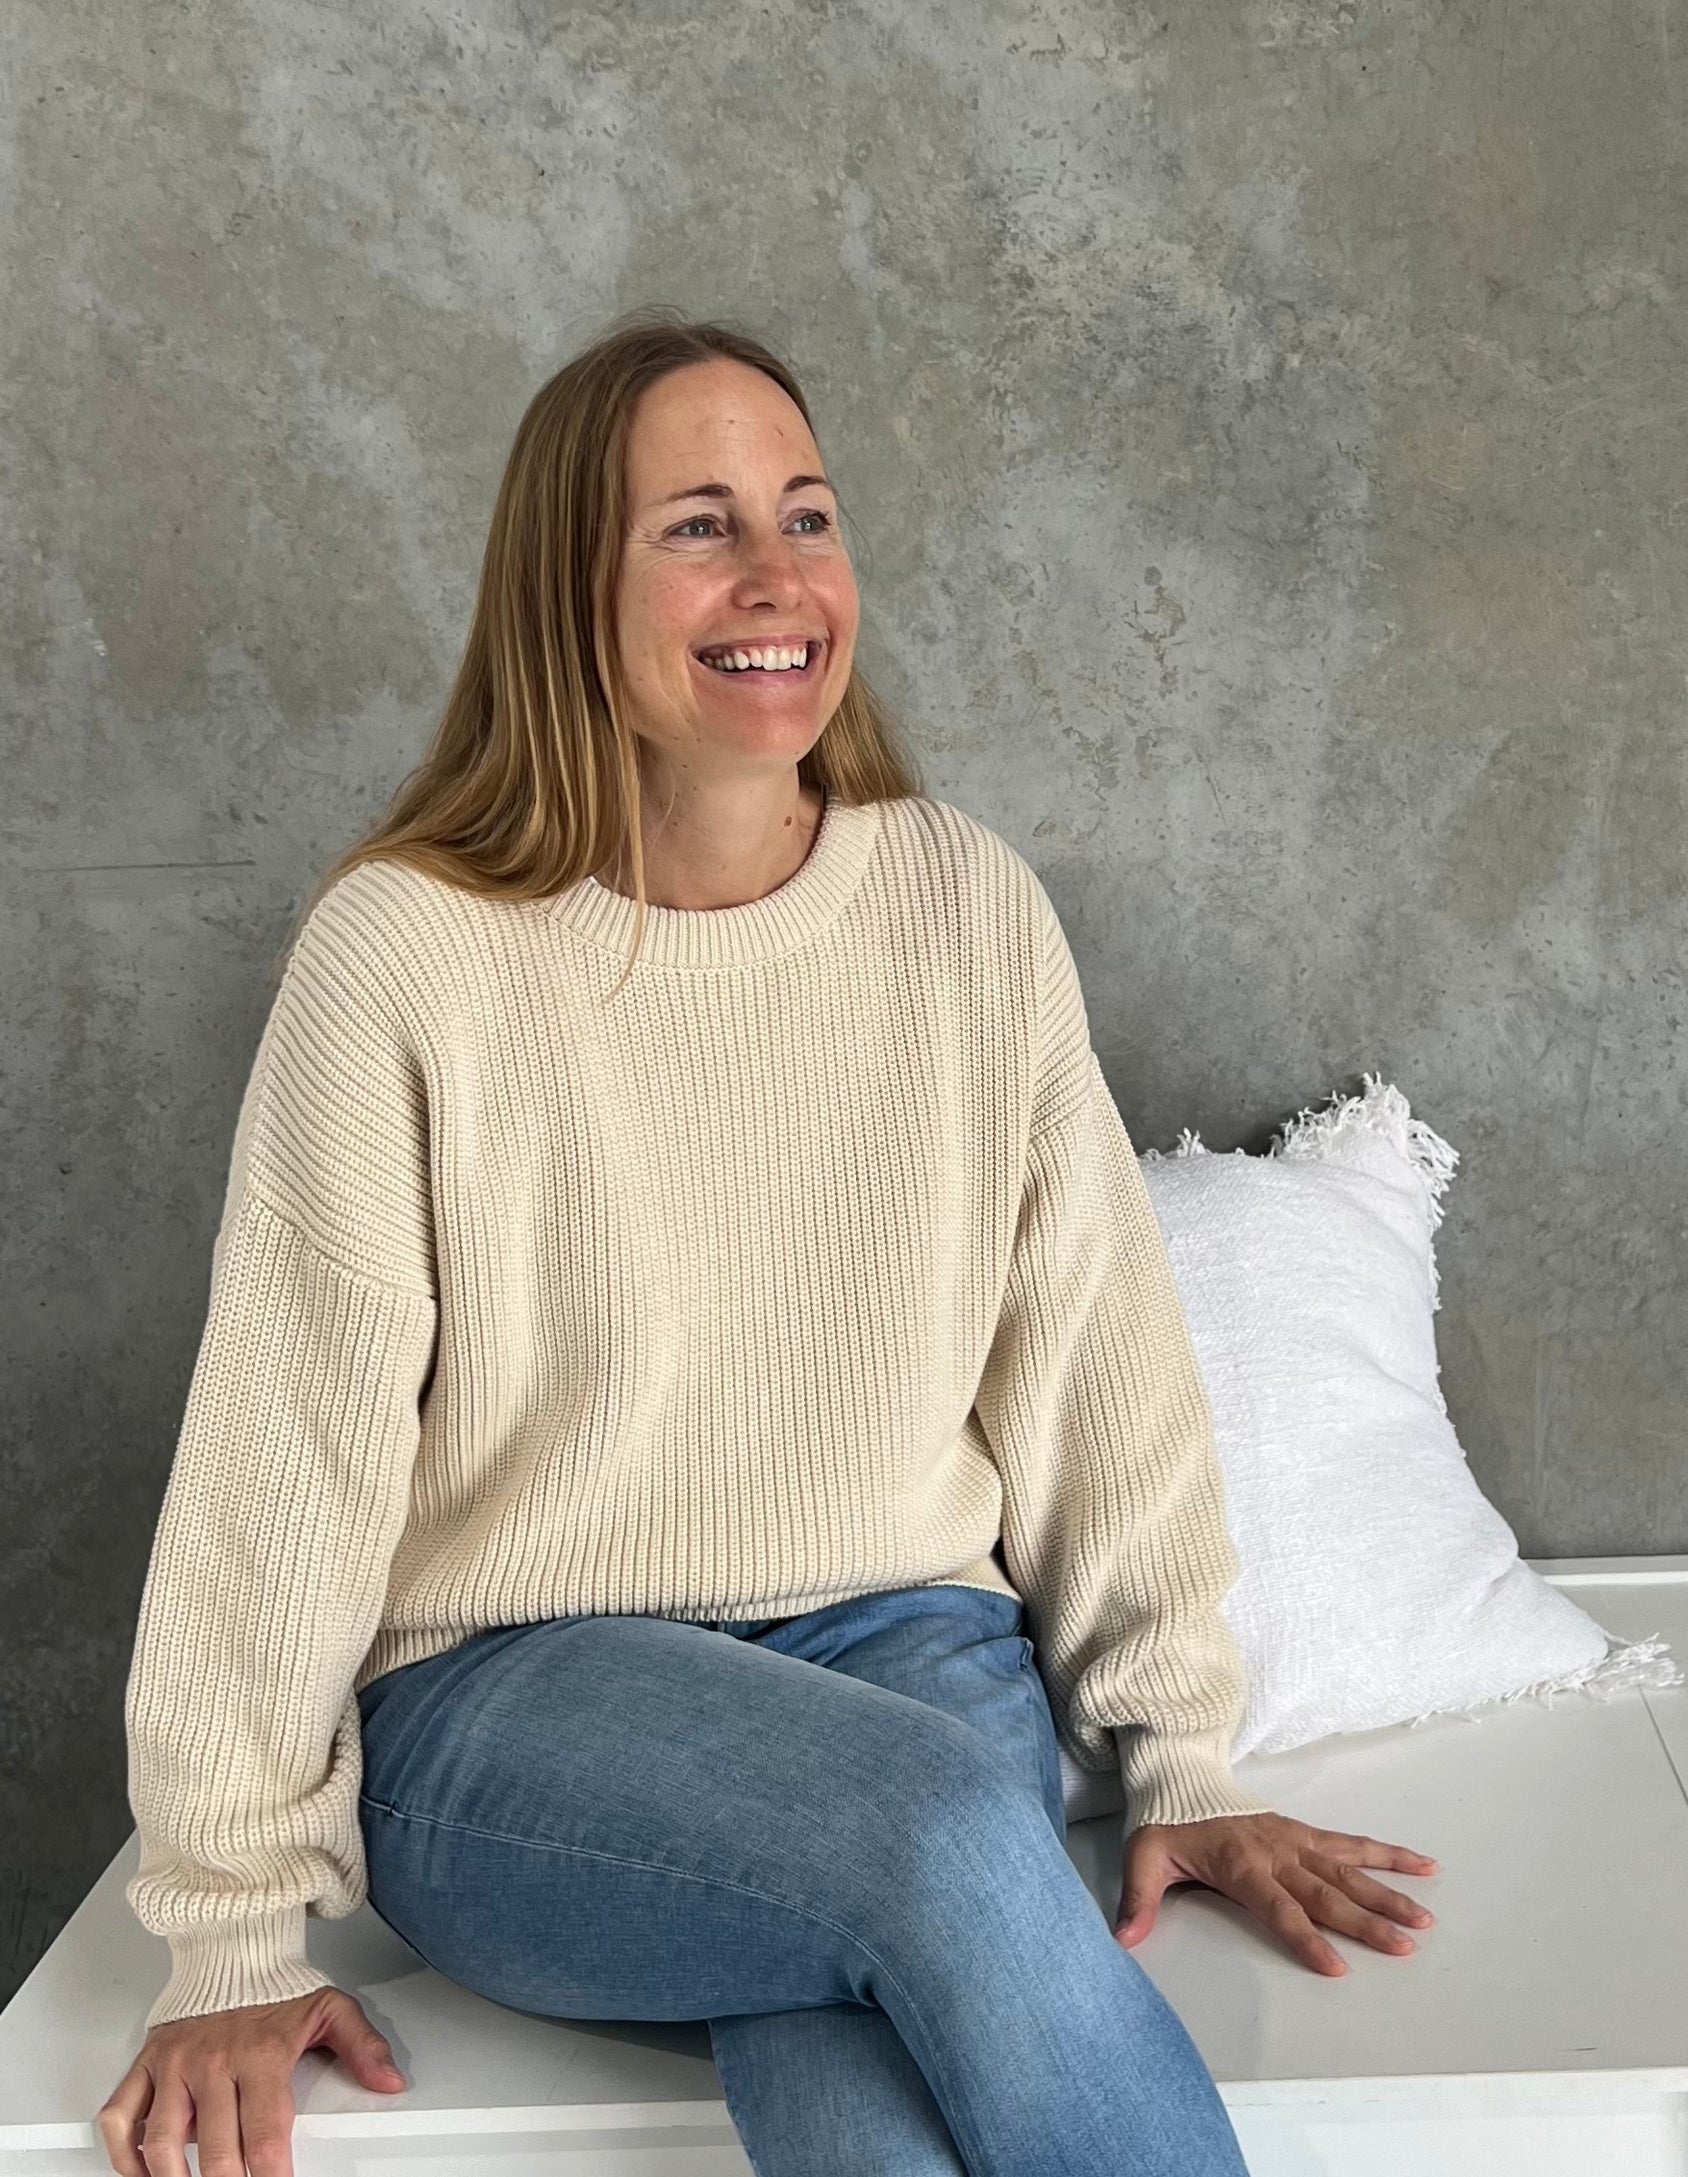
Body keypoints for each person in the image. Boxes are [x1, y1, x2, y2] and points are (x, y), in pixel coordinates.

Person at [96, 308, 1438, 2177]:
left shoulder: (963, 905)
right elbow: (285, 1447)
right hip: (520, 1698)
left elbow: (1091, 1352)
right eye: (698, 527)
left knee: (874, 2017)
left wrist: (1180, 1756)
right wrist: (232, 1927)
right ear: (567, 586)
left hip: (909, 1646)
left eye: (806, 515)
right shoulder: (406, 953)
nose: (776, 576)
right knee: (938, 1839)